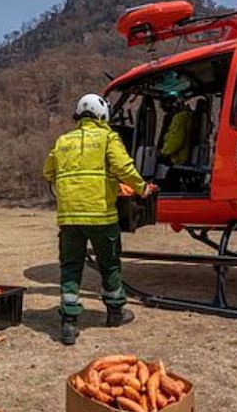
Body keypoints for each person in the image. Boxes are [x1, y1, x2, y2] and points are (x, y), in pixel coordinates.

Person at [43, 93, 157, 345]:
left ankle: (69, 323)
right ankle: (115, 312)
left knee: (70, 267)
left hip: (69, 219)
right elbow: (123, 167)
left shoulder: (62, 141)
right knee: (110, 264)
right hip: (101, 217)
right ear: (102, 114)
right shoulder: (107, 137)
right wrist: (142, 188)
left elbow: (48, 171)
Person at [160, 94, 194, 166]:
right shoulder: (190, 116)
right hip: (187, 157)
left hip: (178, 159)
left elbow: (176, 140)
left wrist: (164, 152)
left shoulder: (179, 118)